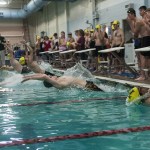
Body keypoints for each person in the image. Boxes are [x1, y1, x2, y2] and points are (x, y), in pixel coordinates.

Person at [127, 8, 150, 80]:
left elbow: (135, 34)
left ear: (133, 14)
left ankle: (143, 75)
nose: (128, 16)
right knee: (142, 58)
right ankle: (145, 75)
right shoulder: (141, 20)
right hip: (142, 39)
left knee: (143, 58)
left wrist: (130, 24)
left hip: (143, 39)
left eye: (129, 15)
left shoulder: (138, 21)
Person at [21, 73, 103, 91]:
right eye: (51, 77)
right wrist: (30, 78)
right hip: (88, 86)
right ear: (51, 81)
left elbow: (42, 75)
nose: (51, 76)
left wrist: (29, 76)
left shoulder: (58, 79)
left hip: (88, 84)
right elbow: (44, 77)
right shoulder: (58, 84)